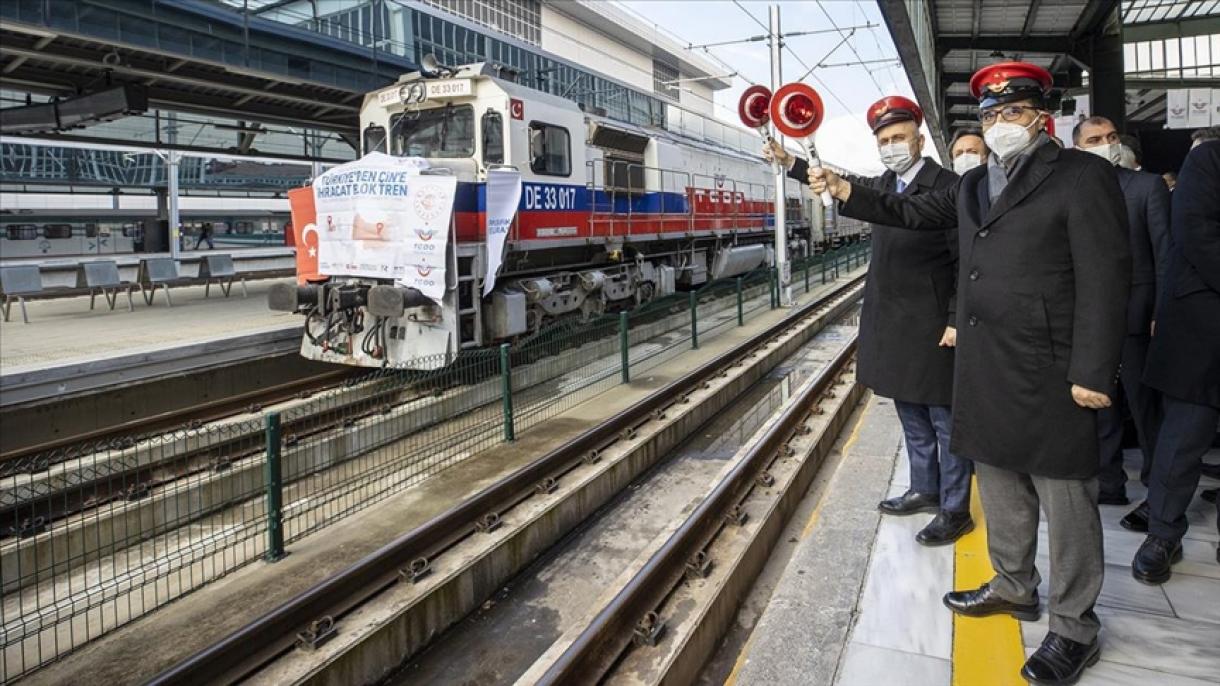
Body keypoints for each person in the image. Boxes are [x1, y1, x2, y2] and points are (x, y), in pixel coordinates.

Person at [807, 62, 1130, 685]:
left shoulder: (1083, 175)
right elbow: (909, 212)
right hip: (984, 361)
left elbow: (1105, 278)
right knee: (1001, 481)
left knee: (1066, 499)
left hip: (1053, 366)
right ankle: (1014, 585)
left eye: (1012, 112)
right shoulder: (974, 183)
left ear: (1042, 115)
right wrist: (845, 189)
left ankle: (1073, 628)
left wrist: (1093, 369)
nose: (1000, 124)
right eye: (989, 115)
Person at [768, 96, 972, 545]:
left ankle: (956, 508)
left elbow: (964, 261)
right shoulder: (885, 182)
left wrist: (956, 317)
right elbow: (848, 185)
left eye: (899, 138)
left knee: (945, 418)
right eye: (884, 140)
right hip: (893, 319)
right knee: (910, 411)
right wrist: (793, 163)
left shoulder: (947, 186)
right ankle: (924, 487)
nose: (892, 146)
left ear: (920, 139)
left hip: (935, 320)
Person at [1072, 116, 1171, 514]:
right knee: (1100, 407)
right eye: (1095, 139)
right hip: (1088, 321)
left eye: (1111, 137)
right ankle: (1109, 483)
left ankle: (1158, 486)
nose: (1106, 143)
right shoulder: (1074, 190)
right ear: (1078, 148)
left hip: (1136, 315)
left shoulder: (1145, 186)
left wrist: (1162, 312)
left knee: (1144, 406)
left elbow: (1166, 254)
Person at [1134, 139, 1220, 578]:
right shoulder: (1210, 158)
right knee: (1183, 438)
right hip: (1206, 331)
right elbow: (1196, 233)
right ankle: (1163, 533)